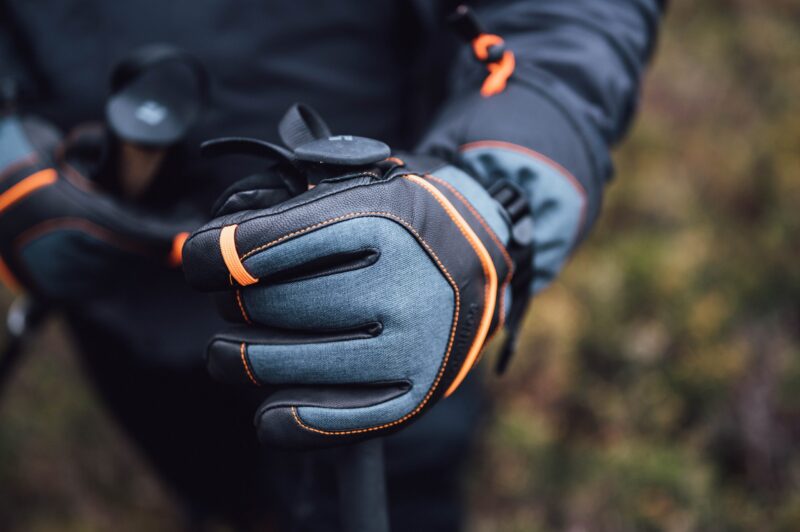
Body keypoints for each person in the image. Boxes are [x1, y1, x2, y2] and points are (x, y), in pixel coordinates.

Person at [0, 1, 666, 529]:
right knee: (210, 481)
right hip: (119, 300)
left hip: (394, 301)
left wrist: (489, 206)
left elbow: (571, 19)